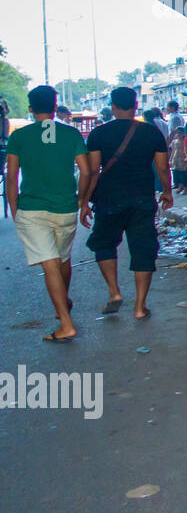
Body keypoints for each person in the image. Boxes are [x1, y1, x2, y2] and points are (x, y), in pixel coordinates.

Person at [5, 86, 92, 341]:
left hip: (31, 209)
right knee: (62, 259)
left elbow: (11, 177)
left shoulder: (19, 137)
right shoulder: (70, 133)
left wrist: (14, 208)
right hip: (65, 207)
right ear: (56, 107)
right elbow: (86, 171)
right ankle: (62, 304)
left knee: (50, 262)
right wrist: (81, 199)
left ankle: (65, 322)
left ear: (31, 109)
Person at [81, 87, 170, 319]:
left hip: (109, 199)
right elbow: (162, 167)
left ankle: (114, 292)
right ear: (135, 105)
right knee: (143, 248)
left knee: (104, 243)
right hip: (142, 198)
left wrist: (83, 202)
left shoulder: (98, 134)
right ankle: (140, 307)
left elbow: (91, 171)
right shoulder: (151, 132)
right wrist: (168, 191)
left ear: (112, 107)